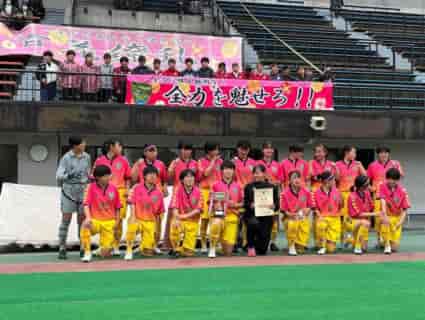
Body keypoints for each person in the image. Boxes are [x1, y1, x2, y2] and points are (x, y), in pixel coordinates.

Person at [92, 139, 131, 256]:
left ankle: (116, 246)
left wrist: (128, 189)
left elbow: (128, 177)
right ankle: (104, 246)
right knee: (104, 220)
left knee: (118, 221)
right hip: (104, 193)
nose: (121, 148)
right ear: (111, 147)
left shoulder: (123, 160)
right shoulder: (100, 160)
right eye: (119, 145)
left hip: (120, 192)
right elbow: (94, 177)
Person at [56, 136, 91, 260]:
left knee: (82, 220)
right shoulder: (66, 158)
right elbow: (59, 175)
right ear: (75, 146)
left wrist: (91, 178)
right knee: (66, 219)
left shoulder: (87, 157)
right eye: (82, 143)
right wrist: (70, 174)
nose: (84, 144)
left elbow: (88, 172)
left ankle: (83, 246)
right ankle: (62, 247)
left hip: (82, 191)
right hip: (69, 191)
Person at [80, 165, 121, 262]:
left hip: (109, 221)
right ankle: (87, 252)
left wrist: (117, 220)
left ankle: (101, 249)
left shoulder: (114, 188)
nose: (109, 177)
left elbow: (118, 207)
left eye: (109, 175)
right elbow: (86, 204)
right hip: (95, 220)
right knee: (85, 225)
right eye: (106, 176)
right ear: (98, 178)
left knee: (105, 254)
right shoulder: (91, 187)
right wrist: (88, 218)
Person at [131, 144, 168, 253]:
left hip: (157, 197)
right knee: (142, 221)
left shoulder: (160, 164)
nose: (153, 153)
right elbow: (133, 178)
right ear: (145, 152)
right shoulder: (140, 163)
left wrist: (165, 188)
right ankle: (143, 244)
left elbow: (164, 179)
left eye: (155, 150)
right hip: (142, 197)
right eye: (150, 151)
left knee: (158, 222)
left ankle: (155, 244)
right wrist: (136, 165)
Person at [124, 166, 165, 260]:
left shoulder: (159, 193)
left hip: (150, 222)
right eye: (150, 174)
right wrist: (133, 216)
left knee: (148, 253)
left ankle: (143, 246)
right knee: (132, 226)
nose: (153, 176)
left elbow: (159, 213)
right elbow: (131, 203)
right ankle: (129, 250)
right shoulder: (136, 187)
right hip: (137, 218)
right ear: (144, 176)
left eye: (155, 175)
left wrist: (156, 230)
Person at [367, 146, 404, 248]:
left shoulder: (395, 163)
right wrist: (372, 189)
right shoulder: (372, 165)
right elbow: (367, 179)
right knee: (379, 219)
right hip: (378, 196)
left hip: (392, 195)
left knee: (392, 217)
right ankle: (380, 240)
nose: (383, 155)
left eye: (386, 153)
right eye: (381, 153)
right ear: (378, 154)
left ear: (388, 154)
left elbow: (401, 175)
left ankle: (391, 239)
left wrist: (397, 170)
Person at [208, 160, 243, 258]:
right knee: (216, 223)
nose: (228, 171)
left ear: (233, 171)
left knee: (228, 253)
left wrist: (233, 205)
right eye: (226, 169)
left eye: (231, 169)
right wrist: (217, 204)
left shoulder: (238, 186)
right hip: (219, 216)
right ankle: (213, 246)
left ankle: (220, 244)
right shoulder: (215, 185)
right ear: (222, 171)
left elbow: (243, 203)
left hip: (232, 218)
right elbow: (211, 201)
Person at [244, 165, 279, 257]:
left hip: (266, 216)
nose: (256, 175)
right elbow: (245, 203)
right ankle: (250, 246)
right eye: (255, 173)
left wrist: (273, 206)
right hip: (252, 215)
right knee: (253, 223)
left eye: (258, 173)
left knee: (262, 251)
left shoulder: (272, 187)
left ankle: (257, 245)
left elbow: (277, 204)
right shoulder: (248, 187)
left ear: (264, 174)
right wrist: (250, 205)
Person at [335, 145, 366, 247]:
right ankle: (342, 240)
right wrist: (335, 168)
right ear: (346, 153)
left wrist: (360, 165)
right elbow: (337, 179)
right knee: (343, 218)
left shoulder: (357, 164)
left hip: (354, 194)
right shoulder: (338, 164)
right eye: (353, 152)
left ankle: (352, 238)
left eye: (355, 153)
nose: (355, 155)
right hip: (342, 193)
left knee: (353, 217)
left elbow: (365, 177)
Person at [169, 169, 203, 258]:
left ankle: (180, 249)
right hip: (180, 220)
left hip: (192, 222)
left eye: (191, 176)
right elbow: (174, 207)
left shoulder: (199, 191)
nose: (190, 179)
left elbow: (198, 209)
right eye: (187, 177)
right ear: (182, 180)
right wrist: (177, 217)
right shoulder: (177, 190)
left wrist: (185, 216)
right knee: (174, 224)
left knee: (189, 253)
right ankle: (176, 248)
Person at [197, 141, 223, 253]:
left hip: (218, 192)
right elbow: (205, 173)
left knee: (218, 217)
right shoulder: (201, 161)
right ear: (209, 151)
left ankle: (216, 243)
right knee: (205, 219)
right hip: (205, 191)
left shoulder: (221, 161)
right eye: (215, 149)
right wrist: (212, 162)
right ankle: (203, 244)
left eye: (218, 149)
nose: (217, 152)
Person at [257, 141, 282, 251]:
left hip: (273, 194)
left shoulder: (277, 164)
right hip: (260, 194)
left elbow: (280, 180)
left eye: (271, 149)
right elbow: (255, 178)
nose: (269, 151)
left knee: (274, 218)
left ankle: (273, 242)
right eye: (266, 148)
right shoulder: (257, 163)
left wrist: (273, 182)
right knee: (260, 219)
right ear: (263, 150)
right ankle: (259, 241)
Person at [280, 170, 312, 256]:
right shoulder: (284, 193)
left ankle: (298, 244)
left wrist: (307, 210)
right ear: (289, 181)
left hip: (302, 218)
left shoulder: (306, 192)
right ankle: (291, 245)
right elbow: (283, 210)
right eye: (294, 178)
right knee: (292, 224)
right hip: (290, 218)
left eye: (298, 177)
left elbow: (310, 206)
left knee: (300, 250)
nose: (297, 180)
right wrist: (290, 214)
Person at [378, 168, 410, 254]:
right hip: (386, 216)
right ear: (387, 178)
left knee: (395, 248)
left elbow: (404, 209)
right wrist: (384, 215)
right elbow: (383, 201)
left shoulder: (402, 191)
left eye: (395, 179)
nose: (392, 181)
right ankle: (386, 243)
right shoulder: (382, 186)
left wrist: (400, 222)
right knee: (385, 223)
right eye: (390, 179)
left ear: (398, 180)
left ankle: (383, 241)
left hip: (396, 218)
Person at [312, 171, 343, 255]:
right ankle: (322, 245)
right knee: (321, 224)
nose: (334, 181)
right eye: (332, 180)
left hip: (334, 219)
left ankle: (330, 243)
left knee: (331, 250)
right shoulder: (316, 192)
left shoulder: (337, 191)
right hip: (322, 217)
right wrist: (320, 216)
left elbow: (340, 206)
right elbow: (314, 208)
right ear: (326, 181)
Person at [348, 175, 375, 255]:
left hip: (364, 221)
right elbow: (357, 214)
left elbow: (371, 206)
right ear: (361, 186)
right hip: (353, 221)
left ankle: (350, 239)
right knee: (365, 222)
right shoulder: (351, 196)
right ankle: (357, 246)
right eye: (367, 185)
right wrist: (376, 214)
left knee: (365, 248)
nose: (368, 186)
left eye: (369, 184)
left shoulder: (367, 194)